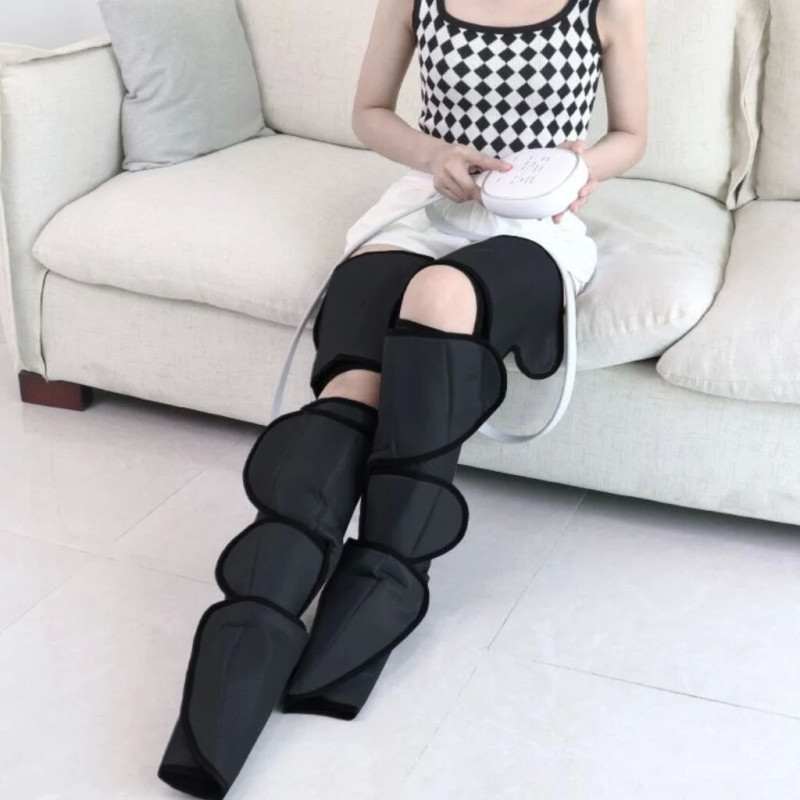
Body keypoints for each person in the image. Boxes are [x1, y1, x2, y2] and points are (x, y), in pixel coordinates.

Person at [157, 0, 648, 797]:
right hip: (422, 210)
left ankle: (384, 581)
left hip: (536, 223)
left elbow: (631, 134)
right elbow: (370, 112)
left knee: (441, 298)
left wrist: (579, 166)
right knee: (355, 384)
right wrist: (436, 154)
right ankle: (247, 644)